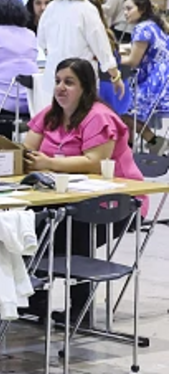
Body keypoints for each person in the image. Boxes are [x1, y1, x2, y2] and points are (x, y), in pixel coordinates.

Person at [22, 58, 146, 322]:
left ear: (86, 88)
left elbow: (95, 162)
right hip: (65, 196)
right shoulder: (50, 114)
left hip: (119, 201)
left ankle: (80, 309)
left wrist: (49, 163)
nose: (60, 88)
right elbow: (26, 150)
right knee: (29, 223)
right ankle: (35, 299)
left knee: (71, 230)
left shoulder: (99, 116)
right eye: (57, 81)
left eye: (69, 82)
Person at [38, 0, 123, 98]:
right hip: (80, 80)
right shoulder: (87, 10)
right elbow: (102, 48)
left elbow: (41, 42)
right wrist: (115, 76)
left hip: (54, 79)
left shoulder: (50, 8)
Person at [120, 0, 169, 150]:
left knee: (123, 109)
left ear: (141, 9)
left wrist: (111, 60)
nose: (125, 13)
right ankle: (134, 145)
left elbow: (133, 61)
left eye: (129, 9)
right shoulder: (153, 25)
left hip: (154, 81)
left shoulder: (142, 29)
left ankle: (154, 142)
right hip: (162, 77)